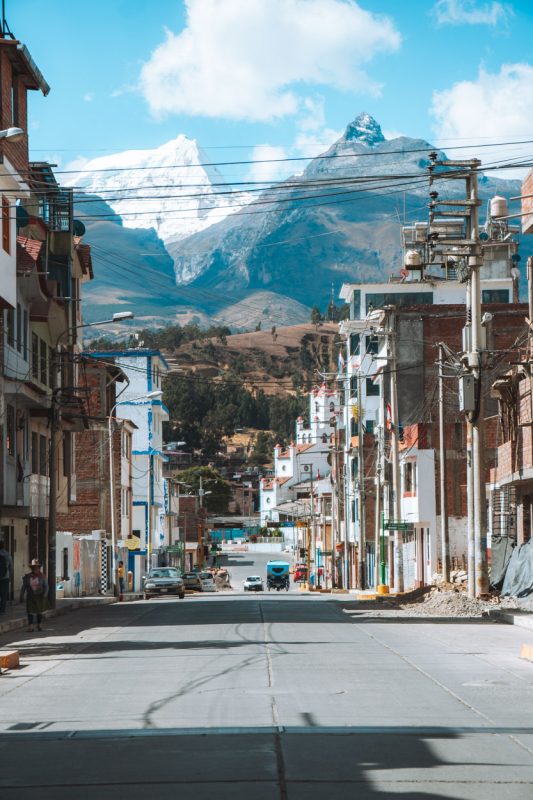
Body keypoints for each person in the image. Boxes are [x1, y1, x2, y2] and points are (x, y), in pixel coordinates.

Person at [20, 559, 49, 632]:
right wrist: (22, 595)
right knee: (30, 611)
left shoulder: (42, 576)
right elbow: (24, 587)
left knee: (39, 611)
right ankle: (31, 627)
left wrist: (45, 595)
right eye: (33, 567)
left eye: (36, 567)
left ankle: (39, 625)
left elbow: (46, 586)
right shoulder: (28, 577)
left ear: (39, 568)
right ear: (32, 568)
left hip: (40, 596)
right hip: (30, 596)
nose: (35, 569)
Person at [0, 539, 13, 614]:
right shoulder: (7, 554)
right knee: (3, 594)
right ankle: (2, 610)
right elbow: (11, 567)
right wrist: (10, 577)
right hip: (5, 577)